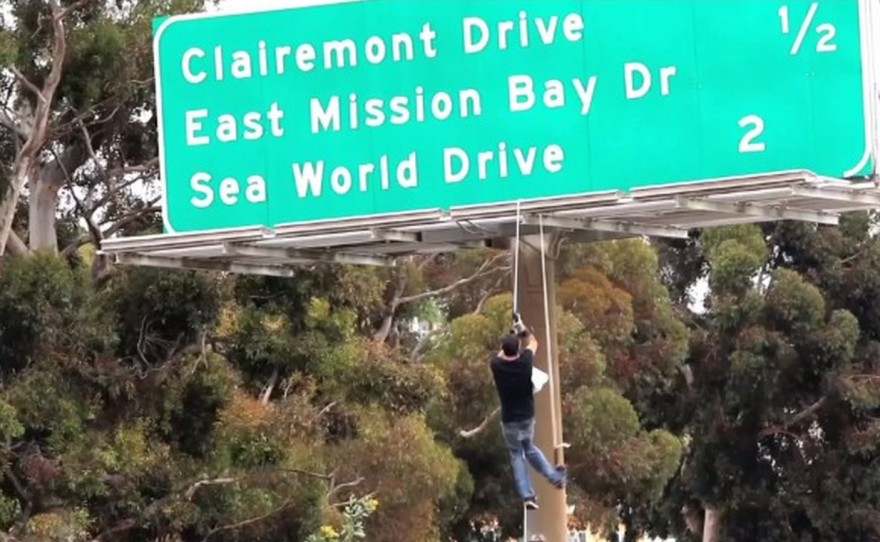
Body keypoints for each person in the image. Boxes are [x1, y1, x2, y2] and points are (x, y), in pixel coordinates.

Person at [490, 314, 566, 510]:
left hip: (509, 421)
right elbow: (533, 342)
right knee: (530, 449)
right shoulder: (525, 363)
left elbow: (502, 353)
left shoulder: (496, 365)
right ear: (518, 349)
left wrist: (511, 335)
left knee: (517, 455)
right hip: (526, 418)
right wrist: (521, 329)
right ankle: (555, 477)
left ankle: (527, 496)